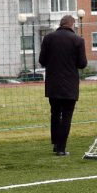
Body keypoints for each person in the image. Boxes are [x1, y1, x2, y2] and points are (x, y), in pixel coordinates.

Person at [38, 14, 88, 156]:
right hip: (70, 85)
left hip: (53, 83)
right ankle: (61, 148)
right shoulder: (78, 40)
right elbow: (82, 64)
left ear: (61, 24)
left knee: (55, 113)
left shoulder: (48, 38)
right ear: (72, 25)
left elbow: (42, 60)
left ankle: (55, 143)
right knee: (66, 115)